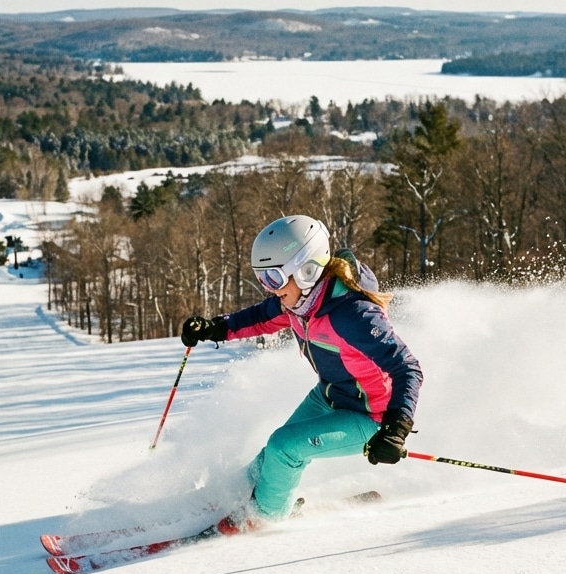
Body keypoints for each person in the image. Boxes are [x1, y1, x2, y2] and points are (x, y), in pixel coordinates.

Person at [181, 214, 422, 525]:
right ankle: (233, 496)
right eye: (262, 278)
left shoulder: (353, 315)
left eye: (274, 278)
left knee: (284, 448)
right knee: (272, 454)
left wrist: (396, 429)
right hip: (331, 394)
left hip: (371, 414)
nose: (270, 288)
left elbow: (407, 367)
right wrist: (214, 328)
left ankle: (264, 517)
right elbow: (259, 317)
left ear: (307, 271)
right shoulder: (299, 302)